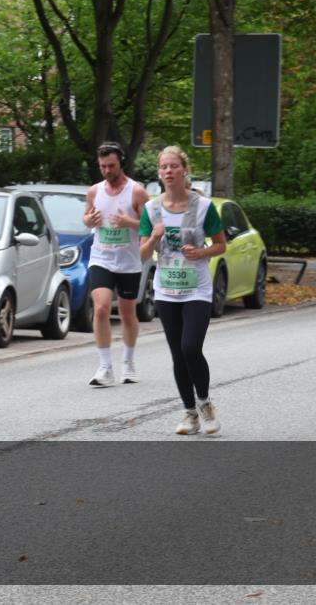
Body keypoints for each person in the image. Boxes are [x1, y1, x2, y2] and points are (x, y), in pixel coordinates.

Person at [138, 146, 226, 435]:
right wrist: (153, 237)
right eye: (163, 167)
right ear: (159, 172)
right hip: (166, 290)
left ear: (184, 170)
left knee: (191, 347)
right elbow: (142, 254)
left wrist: (201, 252)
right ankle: (190, 414)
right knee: (177, 353)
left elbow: (221, 245)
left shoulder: (203, 207)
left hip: (197, 289)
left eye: (174, 166)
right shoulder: (151, 209)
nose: (168, 171)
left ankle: (205, 404)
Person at [81, 142, 149, 386]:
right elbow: (87, 219)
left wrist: (128, 222)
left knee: (127, 313)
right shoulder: (94, 191)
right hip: (101, 258)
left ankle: (128, 362)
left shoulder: (137, 192)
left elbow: (149, 226)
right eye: (102, 167)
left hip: (128, 261)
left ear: (121, 162)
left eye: (111, 166)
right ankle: (104, 366)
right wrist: (89, 219)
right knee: (100, 308)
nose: (107, 171)